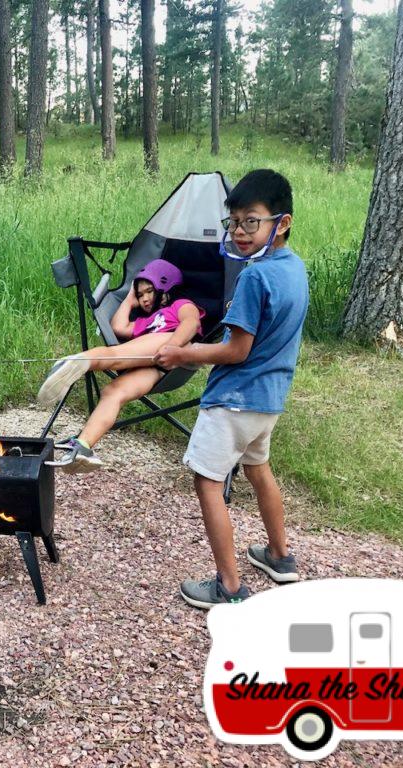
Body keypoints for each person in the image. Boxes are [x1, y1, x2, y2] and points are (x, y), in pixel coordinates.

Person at [154, 169, 308, 610]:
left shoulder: (254, 279)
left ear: (282, 222)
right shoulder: (294, 268)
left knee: (208, 481)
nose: (240, 232)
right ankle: (280, 557)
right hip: (269, 401)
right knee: (259, 469)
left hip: (233, 402)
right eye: (234, 222)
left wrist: (183, 355)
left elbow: (237, 351)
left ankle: (229, 585)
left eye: (251, 221)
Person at [36, 259, 204, 472]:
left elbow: (192, 323)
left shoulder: (181, 305)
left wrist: (172, 346)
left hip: (173, 347)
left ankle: (77, 362)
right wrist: (129, 298)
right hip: (154, 367)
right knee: (113, 392)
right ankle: (83, 446)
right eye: (140, 294)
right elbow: (118, 327)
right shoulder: (146, 321)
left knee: (115, 355)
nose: (144, 299)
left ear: (166, 287)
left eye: (149, 291)